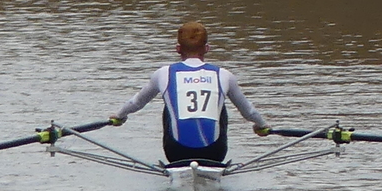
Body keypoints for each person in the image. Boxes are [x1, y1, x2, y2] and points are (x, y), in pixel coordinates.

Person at [109, 22, 271, 165]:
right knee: (219, 103)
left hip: (176, 152)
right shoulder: (224, 75)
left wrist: (119, 116)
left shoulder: (164, 73)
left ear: (178, 49)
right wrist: (262, 125)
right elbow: (248, 111)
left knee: (171, 103)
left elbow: (136, 103)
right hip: (215, 153)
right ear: (207, 49)